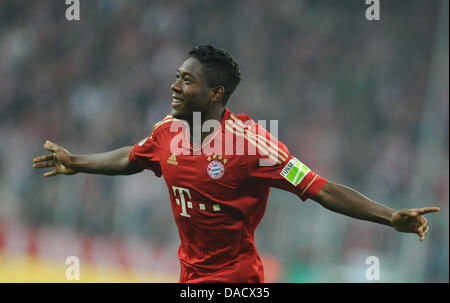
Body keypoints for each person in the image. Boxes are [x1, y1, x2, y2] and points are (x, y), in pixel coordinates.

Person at [32, 45, 440, 283]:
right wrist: (76, 161)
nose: (174, 86)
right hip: (190, 277)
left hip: (236, 281)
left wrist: (390, 217)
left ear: (216, 93)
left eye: (187, 81)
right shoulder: (167, 132)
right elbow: (132, 158)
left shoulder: (252, 143)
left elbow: (323, 189)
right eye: (177, 76)